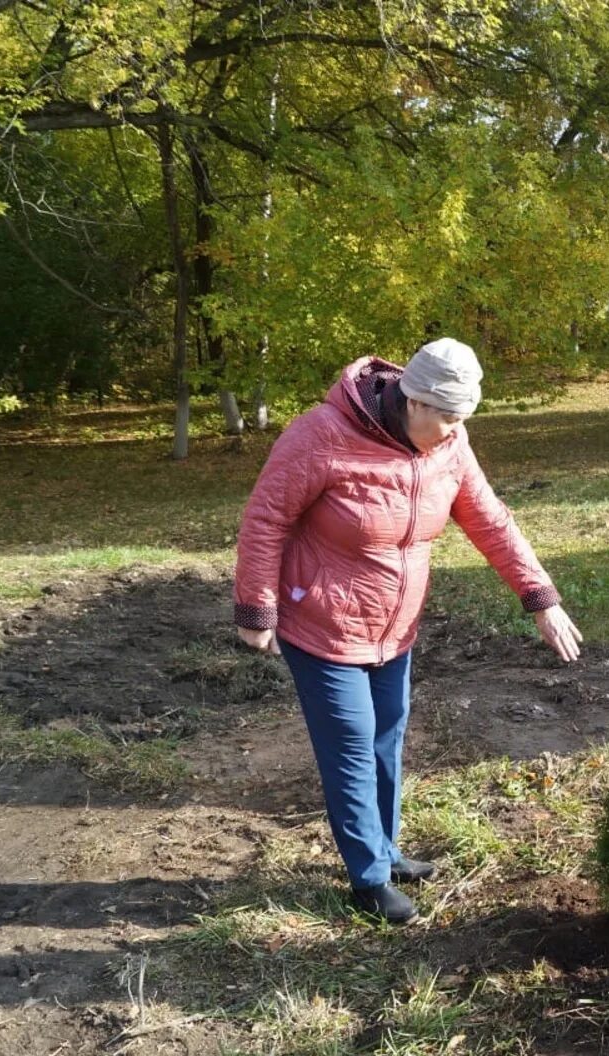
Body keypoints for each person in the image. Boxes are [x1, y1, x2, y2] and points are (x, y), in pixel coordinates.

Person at [234, 338, 582, 924]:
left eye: (463, 419)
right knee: (350, 743)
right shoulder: (320, 434)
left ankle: (387, 850)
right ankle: (367, 879)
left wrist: (539, 598)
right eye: (446, 417)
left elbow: (490, 520)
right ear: (411, 400)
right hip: (322, 620)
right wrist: (257, 610)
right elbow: (265, 521)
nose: (454, 431)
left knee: (386, 738)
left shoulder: (450, 444)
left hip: (394, 626)